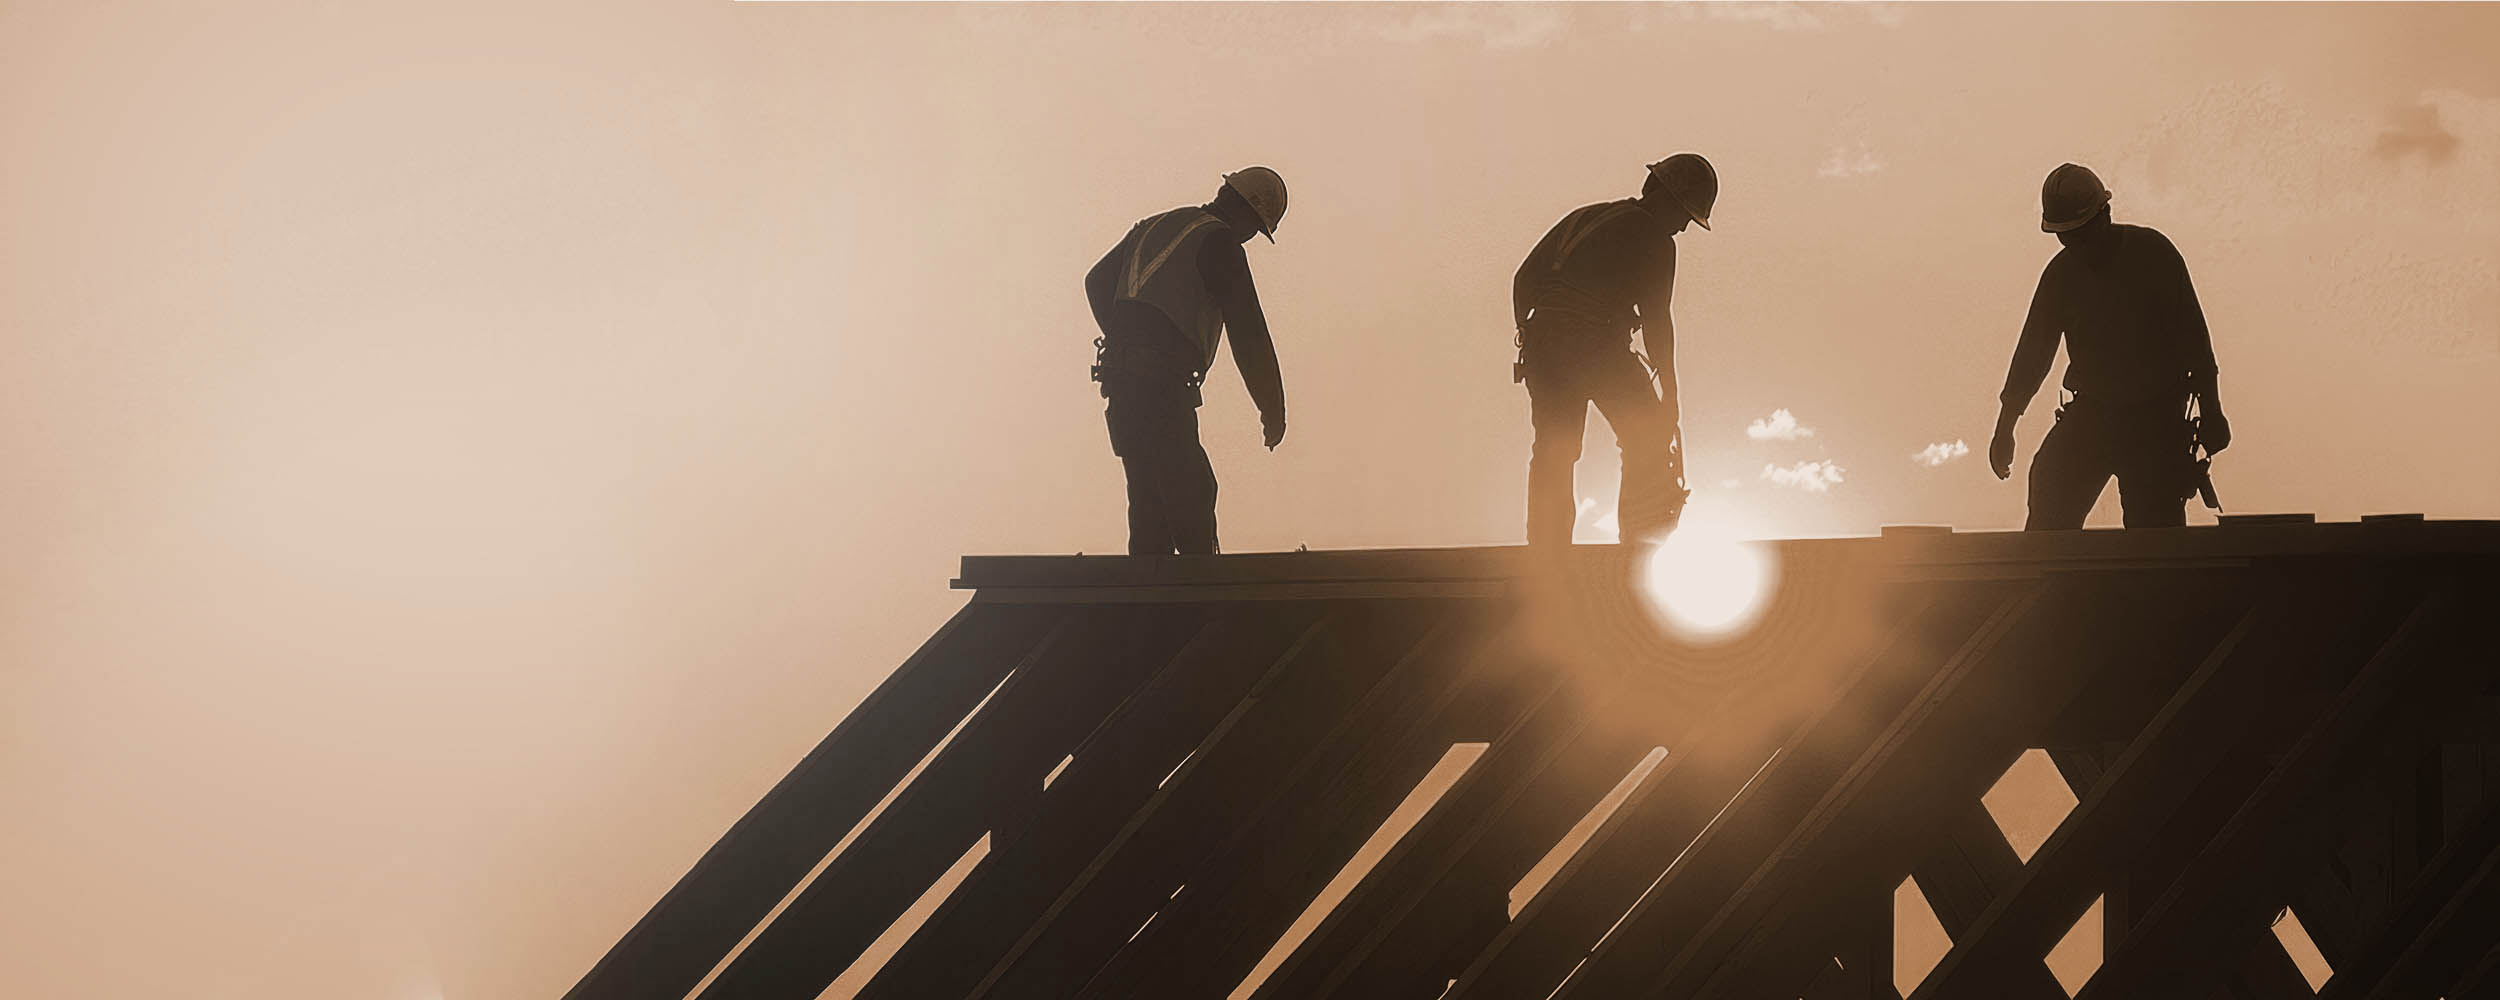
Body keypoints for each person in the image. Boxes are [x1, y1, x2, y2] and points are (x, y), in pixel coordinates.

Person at [1989, 162, 2233, 530]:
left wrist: (2212, 411)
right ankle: (2052, 585)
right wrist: (2005, 426)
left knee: (2155, 539)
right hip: (2095, 413)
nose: (2078, 247)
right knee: (2050, 496)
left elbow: (2194, 340)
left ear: (2105, 215)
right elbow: (2033, 355)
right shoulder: (2061, 276)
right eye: (2066, 237)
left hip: (2156, 419)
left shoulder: (2154, 255)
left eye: (2082, 234)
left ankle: (2151, 586)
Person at [1513, 153, 1715, 546]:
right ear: (1668, 199)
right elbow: (1657, 320)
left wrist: (1532, 339)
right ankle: (1638, 547)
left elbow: (1524, 279)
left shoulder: (1585, 217)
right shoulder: (1655, 238)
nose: (1683, 229)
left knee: (1556, 450)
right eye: (1686, 217)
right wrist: (1670, 394)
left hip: (1546, 348)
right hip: (1596, 344)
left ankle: (1545, 552)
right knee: (1649, 437)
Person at [1085, 167, 1290, 556]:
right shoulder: (1220, 242)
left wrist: (1125, 335)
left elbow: (1096, 280)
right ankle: (1204, 602)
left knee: (1148, 503)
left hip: (1121, 383)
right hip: (1159, 386)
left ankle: (1149, 604)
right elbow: (1249, 334)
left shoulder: (1157, 224)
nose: (1249, 238)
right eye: (1255, 229)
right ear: (1247, 213)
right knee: (1192, 492)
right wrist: (1272, 408)